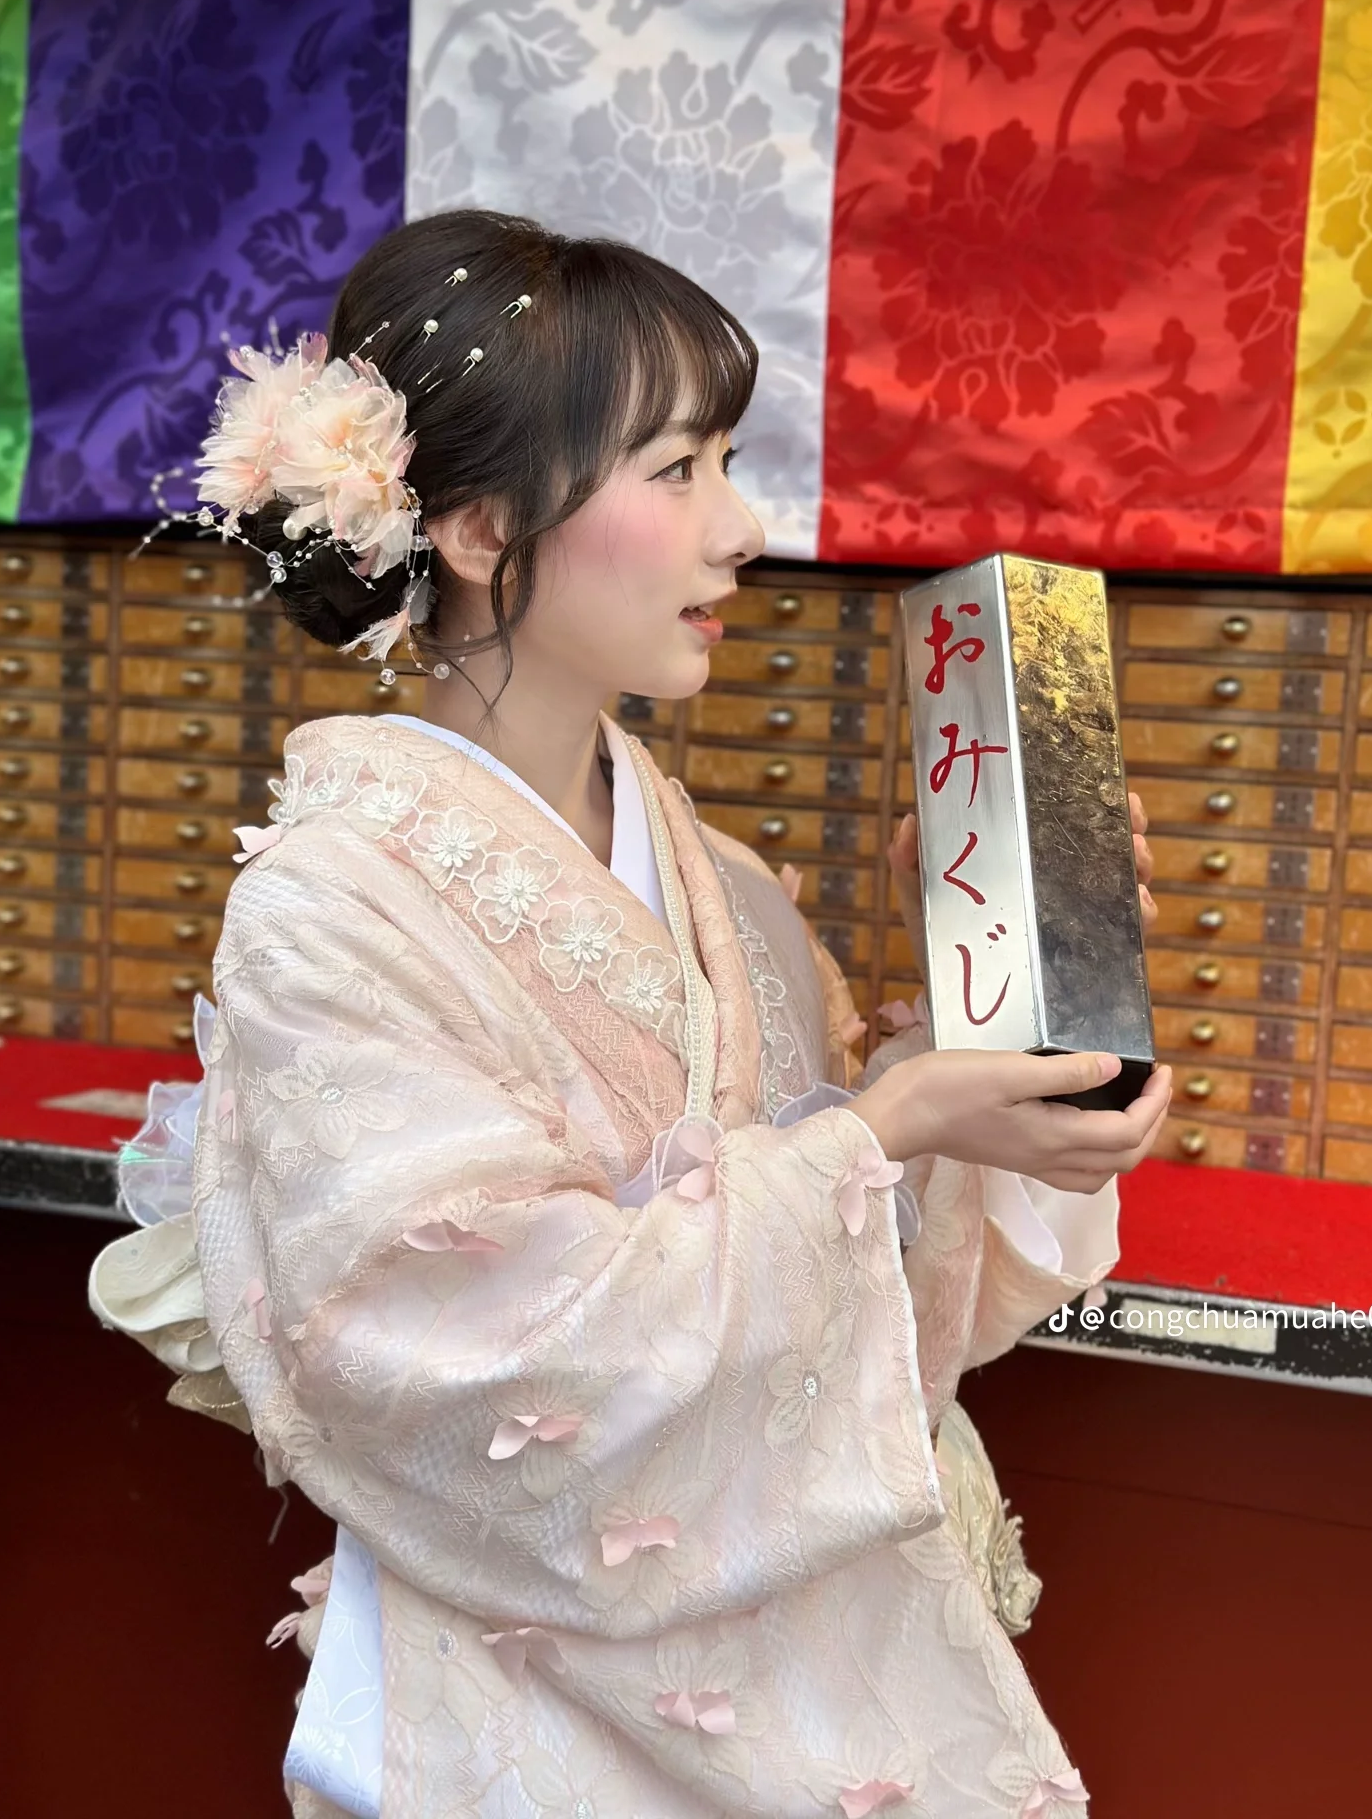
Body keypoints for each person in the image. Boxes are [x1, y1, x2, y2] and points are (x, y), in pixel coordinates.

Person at [90, 208, 1170, 1819]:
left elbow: (865, 1334)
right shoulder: (329, 908)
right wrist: (884, 1129)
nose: (740, 531)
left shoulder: (720, 886)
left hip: (796, 1704)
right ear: (470, 526)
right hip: (514, 1730)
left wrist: (993, 1051)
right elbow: (449, 1357)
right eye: (676, 472)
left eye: (724, 463)